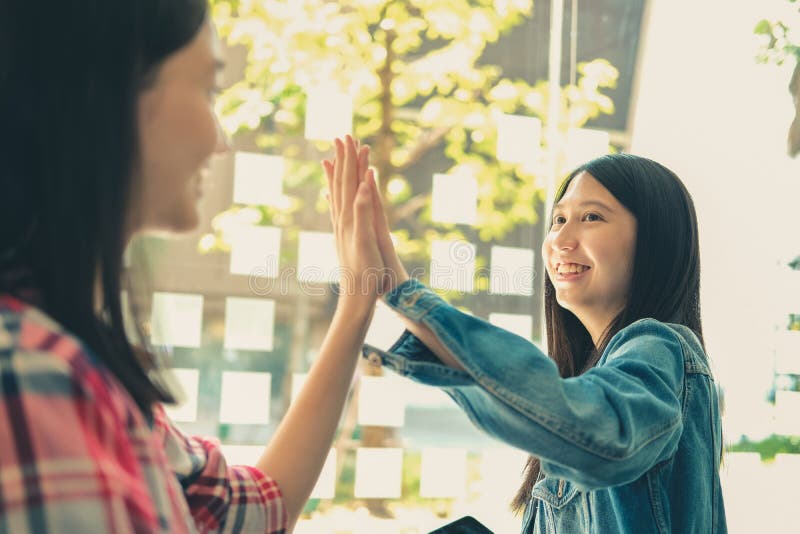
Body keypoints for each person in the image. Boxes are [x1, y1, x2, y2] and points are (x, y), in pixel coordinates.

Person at [0, 1, 381, 531]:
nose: (220, 139)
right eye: (209, 90)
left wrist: (358, 302)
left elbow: (254, 510)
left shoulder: (84, 367)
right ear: (110, 95)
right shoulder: (32, 376)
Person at [324, 148, 727, 532]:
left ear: (654, 241)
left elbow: (596, 437)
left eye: (591, 217)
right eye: (557, 220)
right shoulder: (602, 368)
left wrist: (400, 290)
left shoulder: (661, 348)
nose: (561, 241)